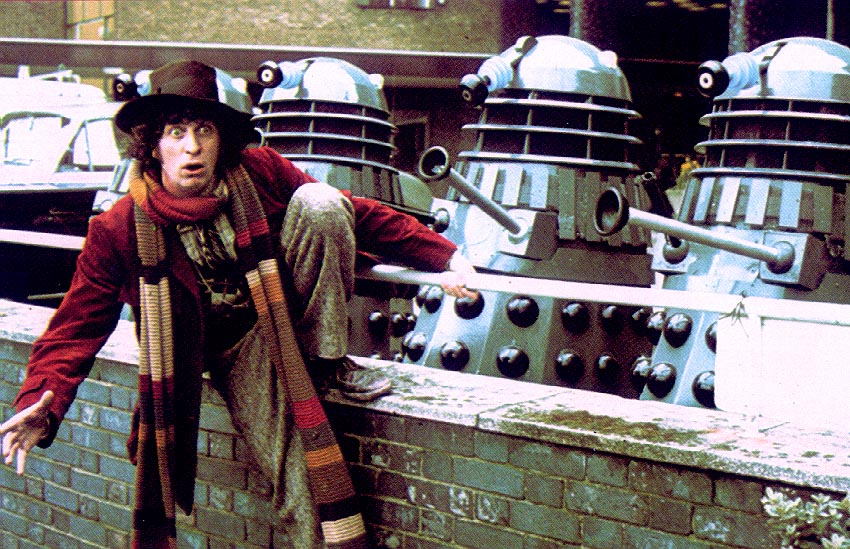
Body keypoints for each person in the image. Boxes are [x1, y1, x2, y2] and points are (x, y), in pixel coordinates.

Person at [0, 60, 476, 548]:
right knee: (299, 475)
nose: (192, 147)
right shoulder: (118, 227)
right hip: (209, 347)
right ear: (153, 146)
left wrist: (446, 256)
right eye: (176, 132)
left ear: (220, 138)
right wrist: (42, 402)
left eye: (203, 130)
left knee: (321, 204)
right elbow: (76, 326)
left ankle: (323, 361)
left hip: (274, 318)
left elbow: (359, 213)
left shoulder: (258, 172)